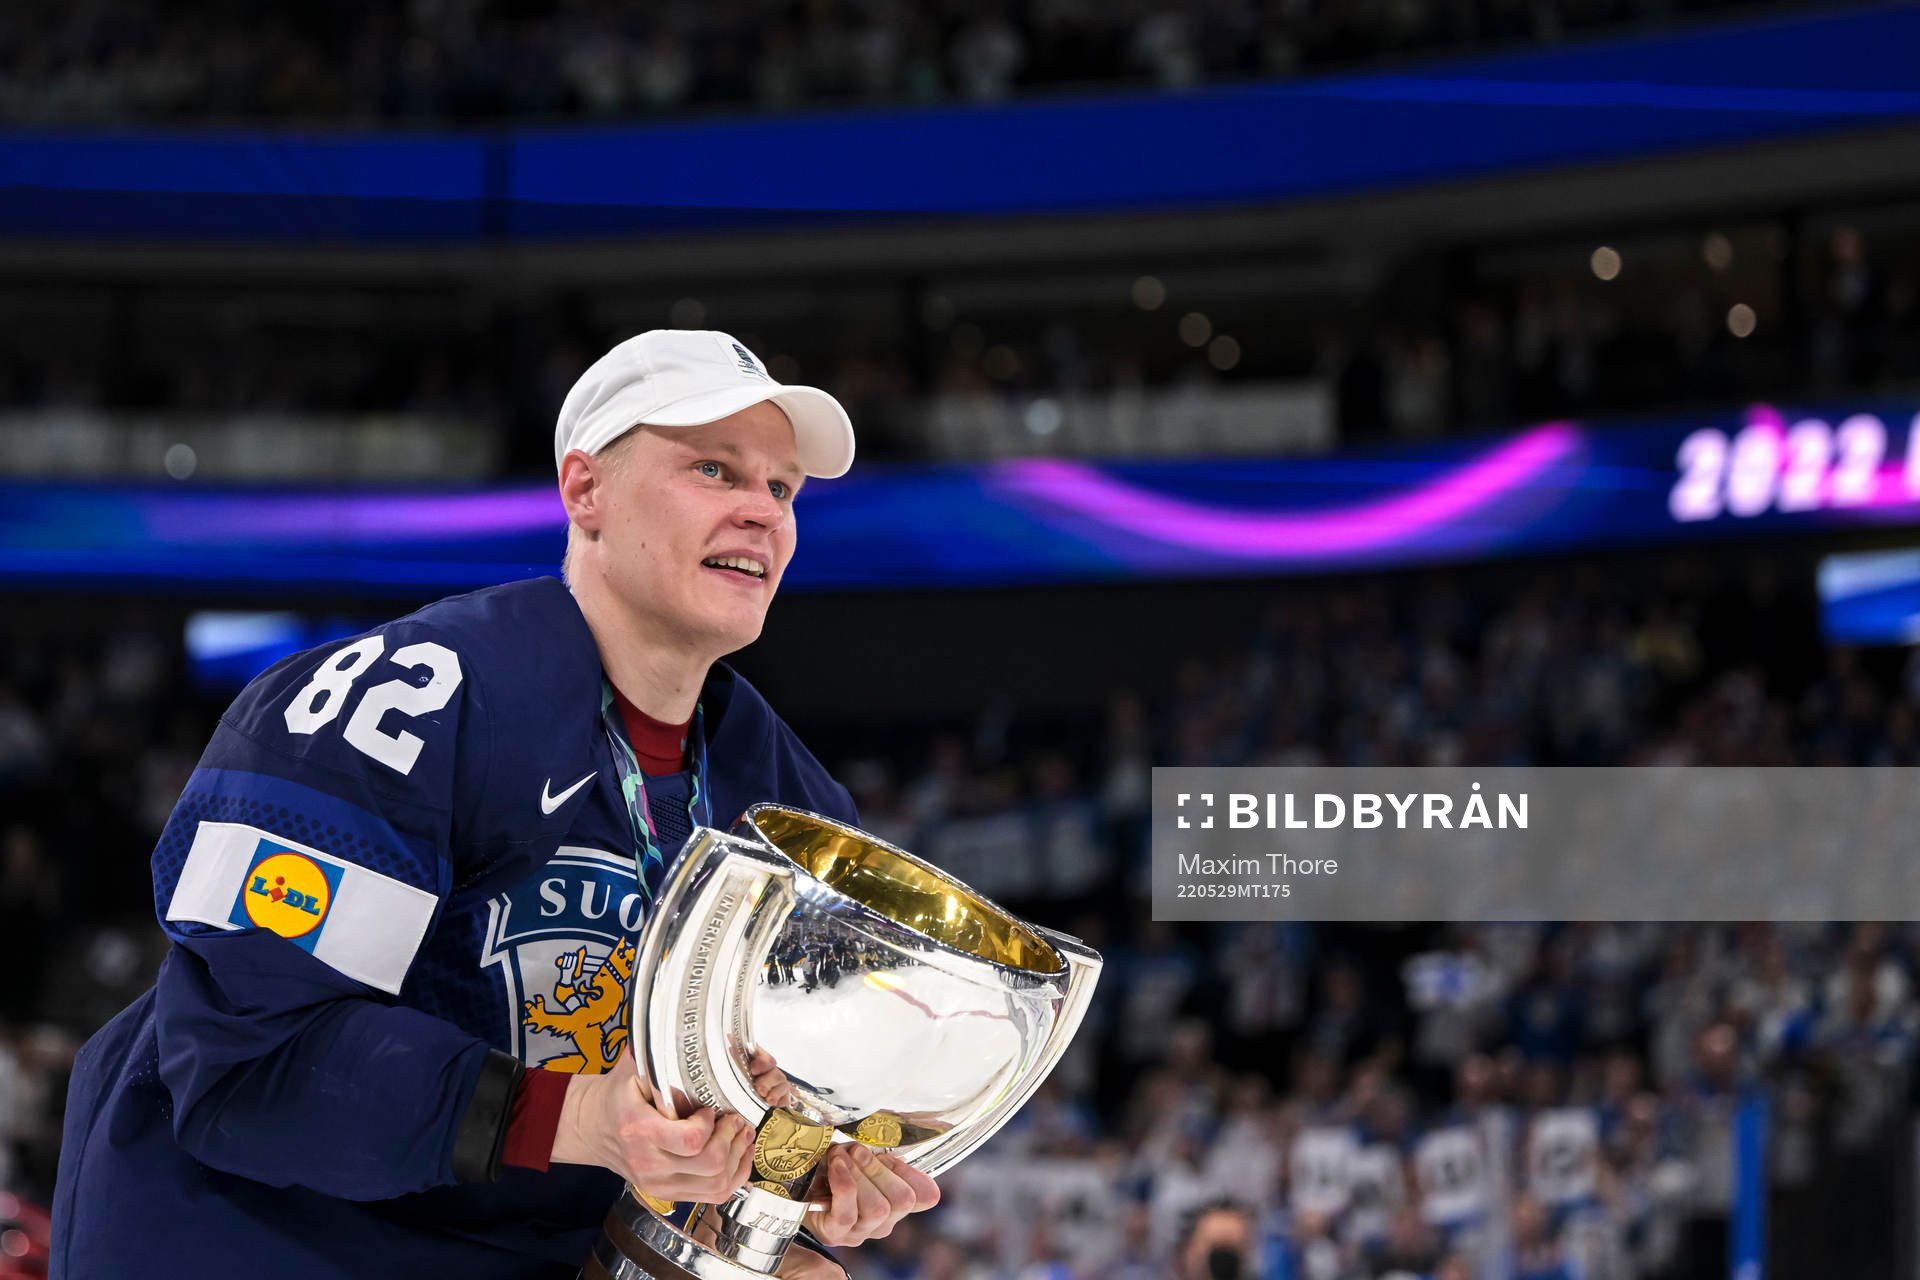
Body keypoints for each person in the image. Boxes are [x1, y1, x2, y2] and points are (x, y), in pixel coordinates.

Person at [51, 330, 939, 1278]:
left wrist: (792, 1193)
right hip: (257, 1244)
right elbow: (246, 1064)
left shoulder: (789, 805)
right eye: (714, 470)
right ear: (585, 489)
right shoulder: (403, 706)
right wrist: (578, 1116)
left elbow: (713, 1129)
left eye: (781, 489)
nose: (761, 513)